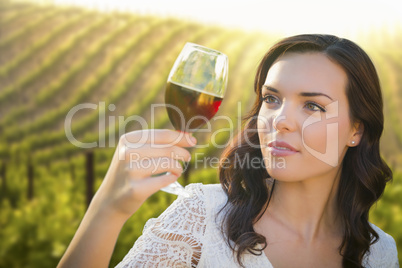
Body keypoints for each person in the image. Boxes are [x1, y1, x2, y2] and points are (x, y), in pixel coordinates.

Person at [58, 34, 399, 268]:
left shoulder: (379, 253)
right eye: (272, 99)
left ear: (357, 130)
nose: (280, 121)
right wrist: (108, 210)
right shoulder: (202, 218)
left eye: (312, 106)